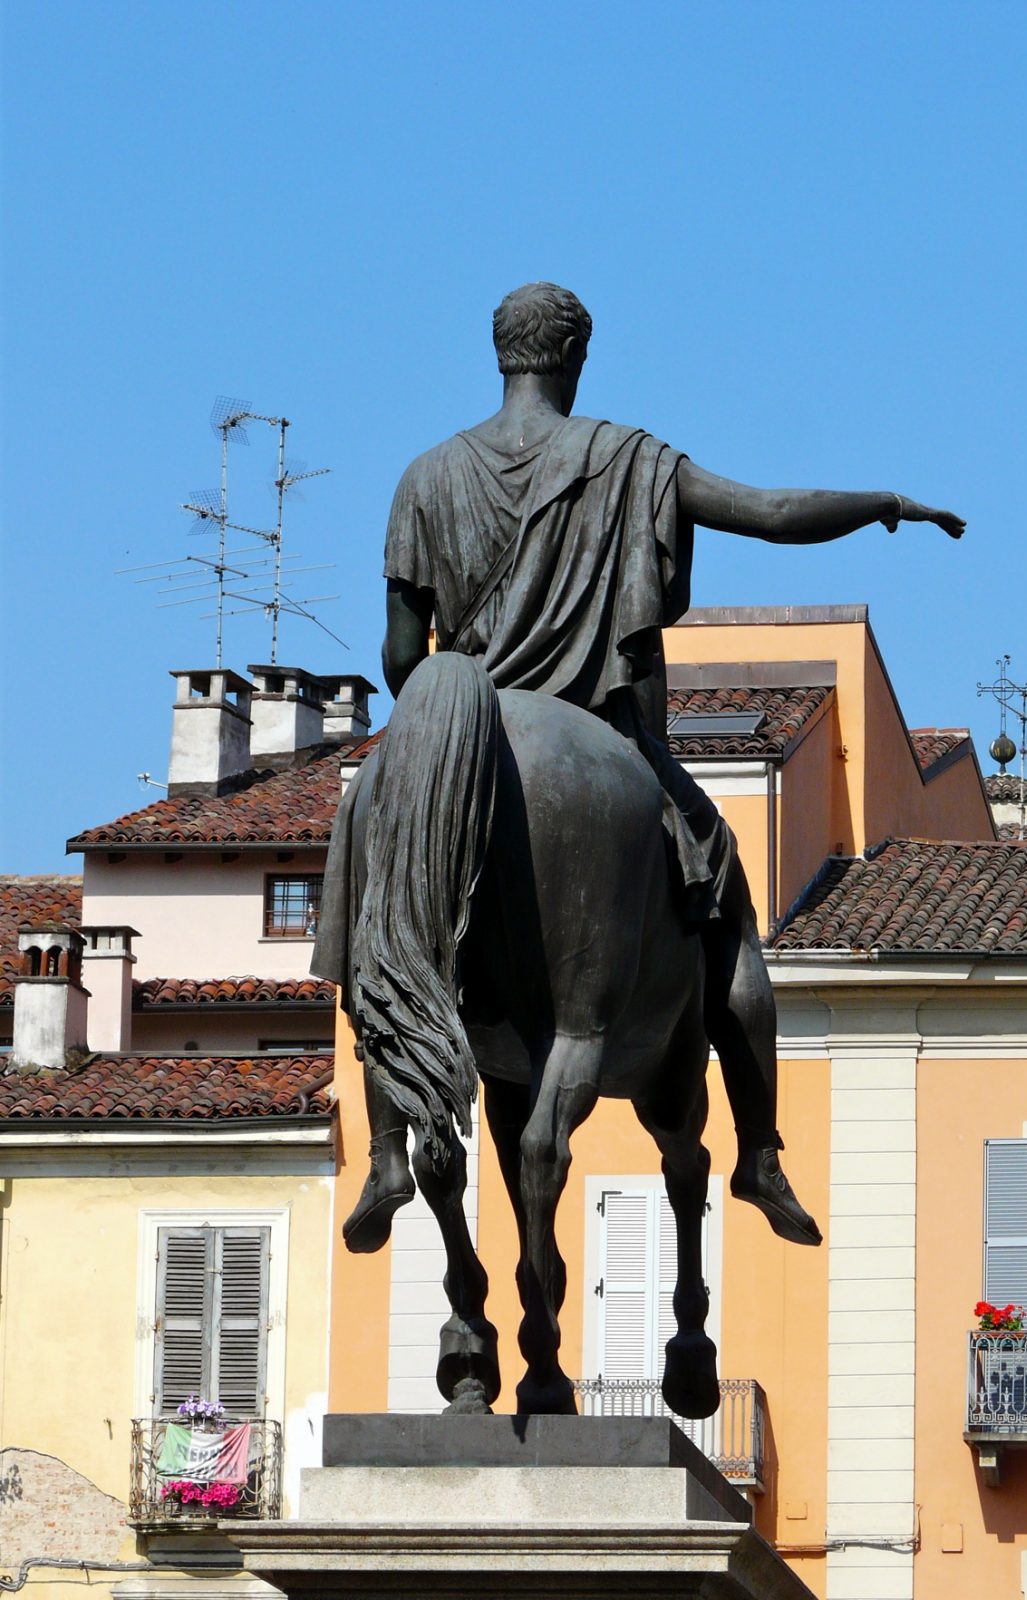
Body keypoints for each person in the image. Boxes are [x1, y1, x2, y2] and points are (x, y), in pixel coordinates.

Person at [315, 281, 964, 1253]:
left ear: (500, 354)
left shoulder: (424, 478)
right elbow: (770, 511)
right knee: (726, 901)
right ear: (576, 356)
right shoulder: (628, 458)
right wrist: (883, 505)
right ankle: (758, 1151)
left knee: (374, 898)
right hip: (606, 736)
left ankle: (384, 1152)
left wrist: (454, 710)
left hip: (450, 731)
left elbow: (403, 658)